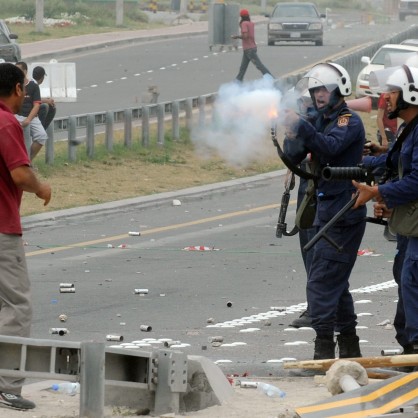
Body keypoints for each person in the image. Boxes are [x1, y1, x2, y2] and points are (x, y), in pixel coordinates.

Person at [283, 62, 367, 360]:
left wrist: (303, 125)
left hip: (343, 209)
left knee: (321, 279)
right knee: (334, 281)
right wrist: (293, 130)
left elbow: (330, 148)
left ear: (338, 90)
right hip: (325, 209)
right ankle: (348, 345)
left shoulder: (348, 121)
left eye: (323, 89)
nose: (318, 95)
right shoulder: (317, 119)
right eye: (315, 89)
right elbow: (293, 155)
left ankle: (323, 349)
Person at [354, 64, 418, 359]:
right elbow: (393, 163)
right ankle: (409, 345)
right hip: (409, 224)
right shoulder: (409, 129)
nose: (385, 99)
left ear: (410, 95)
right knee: (404, 276)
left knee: (412, 279)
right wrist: (355, 165)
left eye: (391, 92)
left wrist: (378, 191)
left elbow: (416, 180)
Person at [0, 63, 51, 409]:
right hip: (2, 228)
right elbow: (20, 174)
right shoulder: (6, 123)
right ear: (18, 89)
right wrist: (42, 187)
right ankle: (7, 386)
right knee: (17, 306)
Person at [14, 61, 48, 161]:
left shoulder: (33, 86)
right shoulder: (11, 86)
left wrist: (28, 120)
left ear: (25, 71)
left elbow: (37, 104)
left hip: (31, 117)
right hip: (15, 116)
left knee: (42, 136)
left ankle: (27, 161)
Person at [231, 9, 273, 82]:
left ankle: (271, 78)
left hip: (249, 49)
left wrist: (236, 37)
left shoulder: (244, 23)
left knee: (259, 65)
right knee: (243, 67)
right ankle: (237, 82)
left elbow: (246, 36)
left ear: (241, 16)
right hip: (251, 48)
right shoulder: (251, 23)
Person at [32, 66, 56, 131]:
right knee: (45, 107)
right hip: (28, 108)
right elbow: (32, 100)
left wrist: (46, 100)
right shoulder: (33, 85)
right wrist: (46, 101)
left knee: (50, 105)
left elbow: (35, 98)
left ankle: (42, 131)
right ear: (42, 78)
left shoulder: (33, 83)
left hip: (30, 106)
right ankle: (41, 130)